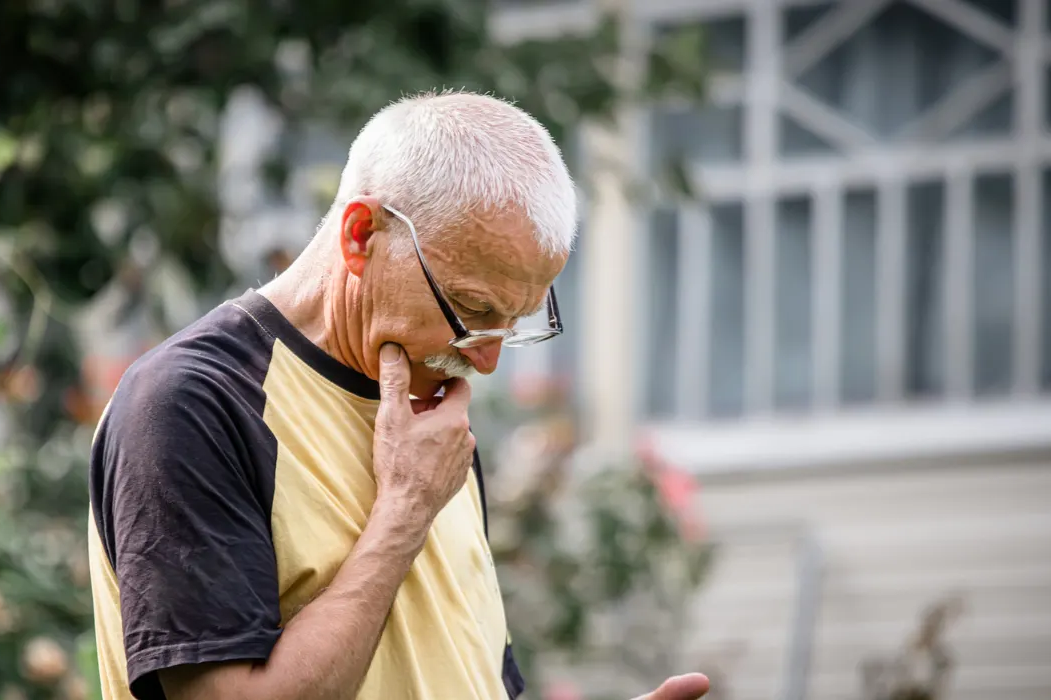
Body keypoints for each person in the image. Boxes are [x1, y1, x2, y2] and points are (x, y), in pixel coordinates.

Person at [87, 91, 710, 700]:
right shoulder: (189, 405)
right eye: (472, 308)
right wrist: (404, 512)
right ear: (362, 234)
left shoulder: (434, 423)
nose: (486, 361)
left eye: (512, 324)